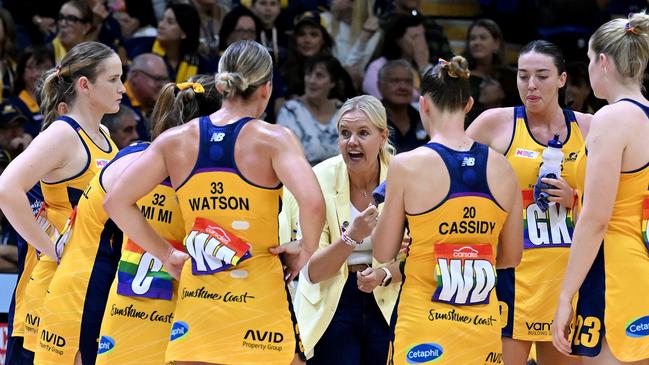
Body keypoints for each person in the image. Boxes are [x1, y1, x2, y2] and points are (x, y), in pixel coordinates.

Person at [103, 40, 326, 365]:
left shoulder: (174, 141)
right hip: (259, 312)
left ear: (221, 84)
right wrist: (306, 249)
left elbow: (116, 202)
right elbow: (314, 204)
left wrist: (166, 255)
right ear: (266, 89)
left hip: (197, 313)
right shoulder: (274, 139)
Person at [39, 76, 219, 365]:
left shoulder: (139, 155)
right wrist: (169, 254)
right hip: (86, 293)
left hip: (76, 283)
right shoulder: (156, 172)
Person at [372, 55, 522, 365]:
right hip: (482, 328)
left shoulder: (406, 165)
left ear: (423, 104)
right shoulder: (504, 168)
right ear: (469, 104)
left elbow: (384, 252)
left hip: (423, 327)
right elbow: (511, 257)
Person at [466, 40, 592, 365]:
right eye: (523, 76)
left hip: (568, 279)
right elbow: (444, 165)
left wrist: (574, 199)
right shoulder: (495, 123)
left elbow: (618, 199)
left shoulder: (590, 128)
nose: (531, 85)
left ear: (562, 79)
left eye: (542, 76)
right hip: (513, 278)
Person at [0, 41, 122, 360]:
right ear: (85, 85)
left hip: (85, 283)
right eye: (113, 79)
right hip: (50, 287)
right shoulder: (63, 134)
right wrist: (48, 246)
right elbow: (6, 188)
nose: (122, 87)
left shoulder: (105, 136)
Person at [552, 12, 649, 364]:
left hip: (615, 272)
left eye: (590, 60)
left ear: (603, 62)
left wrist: (565, 296)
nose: (590, 68)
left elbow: (595, 219)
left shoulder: (611, 118)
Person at [284, 94, 401, 364]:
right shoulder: (318, 179)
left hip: (389, 292)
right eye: (344, 133)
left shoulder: (403, 176)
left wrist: (383, 274)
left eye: (363, 133)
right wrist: (352, 237)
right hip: (332, 296)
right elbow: (312, 272)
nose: (352, 142)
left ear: (383, 137)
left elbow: (416, 256)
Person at [277, 55, 345, 165]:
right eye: (309, 74)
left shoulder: (344, 112)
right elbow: (284, 155)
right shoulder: (290, 111)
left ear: (333, 82)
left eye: (319, 76)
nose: (312, 81)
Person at [378, 59, 428, 153]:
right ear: (380, 85)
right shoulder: (371, 120)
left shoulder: (423, 119)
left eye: (408, 81)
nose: (402, 87)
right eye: (395, 81)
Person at [123, 53, 170, 141]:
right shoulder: (116, 105)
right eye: (158, 79)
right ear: (135, 77)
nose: (163, 85)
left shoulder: (162, 106)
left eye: (166, 80)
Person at [11, 45, 55, 137]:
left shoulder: (61, 97)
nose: (39, 73)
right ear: (22, 71)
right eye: (33, 67)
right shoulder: (16, 104)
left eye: (46, 67)